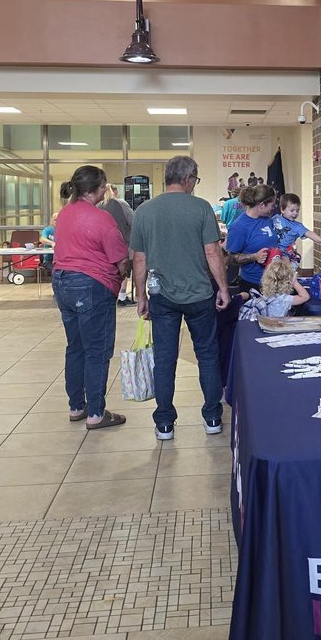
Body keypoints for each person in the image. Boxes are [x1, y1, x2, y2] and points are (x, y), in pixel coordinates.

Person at [131, 155, 230, 441]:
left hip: (161, 295)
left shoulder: (145, 211)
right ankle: (212, 417)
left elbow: (139, 258)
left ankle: (164, 423)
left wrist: (141, 297)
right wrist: (222, 288)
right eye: (195, 181)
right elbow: (213, 252)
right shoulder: (200, 208)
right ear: (188, 179)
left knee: (164, 359)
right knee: (208, 355)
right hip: (199, 294)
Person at [52, 166, 130, 430]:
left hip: (62, 282)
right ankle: (96, 413)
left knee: (75, 347)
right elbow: (120, 259)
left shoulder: (64, 214)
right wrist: (122, 279)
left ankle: (77, 407)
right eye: (104, 185)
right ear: (96, 189)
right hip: (91, 285)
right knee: (97, 350)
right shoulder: (102, 218)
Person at [224, 184, 278, 294]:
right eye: (271, 205)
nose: (273, 208)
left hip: (274, 280)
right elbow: (229, 258)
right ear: (262, 205)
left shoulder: (267, 219)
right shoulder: (239, 226)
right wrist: (254, 256)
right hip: (253, 283)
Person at [238, 256, 310, 321]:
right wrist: (294, 282)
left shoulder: (265, 296)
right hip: (277, 328)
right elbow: (305, 297)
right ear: (288, 281)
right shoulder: (285, 299)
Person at [98, 183, 135, 306]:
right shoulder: (121, 204)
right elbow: (133, 222)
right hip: (122, 244)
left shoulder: (98, 206)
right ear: (116, 192)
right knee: (123, 271)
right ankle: (122, 297)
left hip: (102, 247)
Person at [270, 193, 321, 262]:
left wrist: (318, 240)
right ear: (282, 209)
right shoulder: (275, 218)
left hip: (285, 255)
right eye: (292, 210)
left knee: (284, 266)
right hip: (271, 252)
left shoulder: (297, 226)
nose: (295, 213)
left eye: (297, 210)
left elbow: (308, 233)